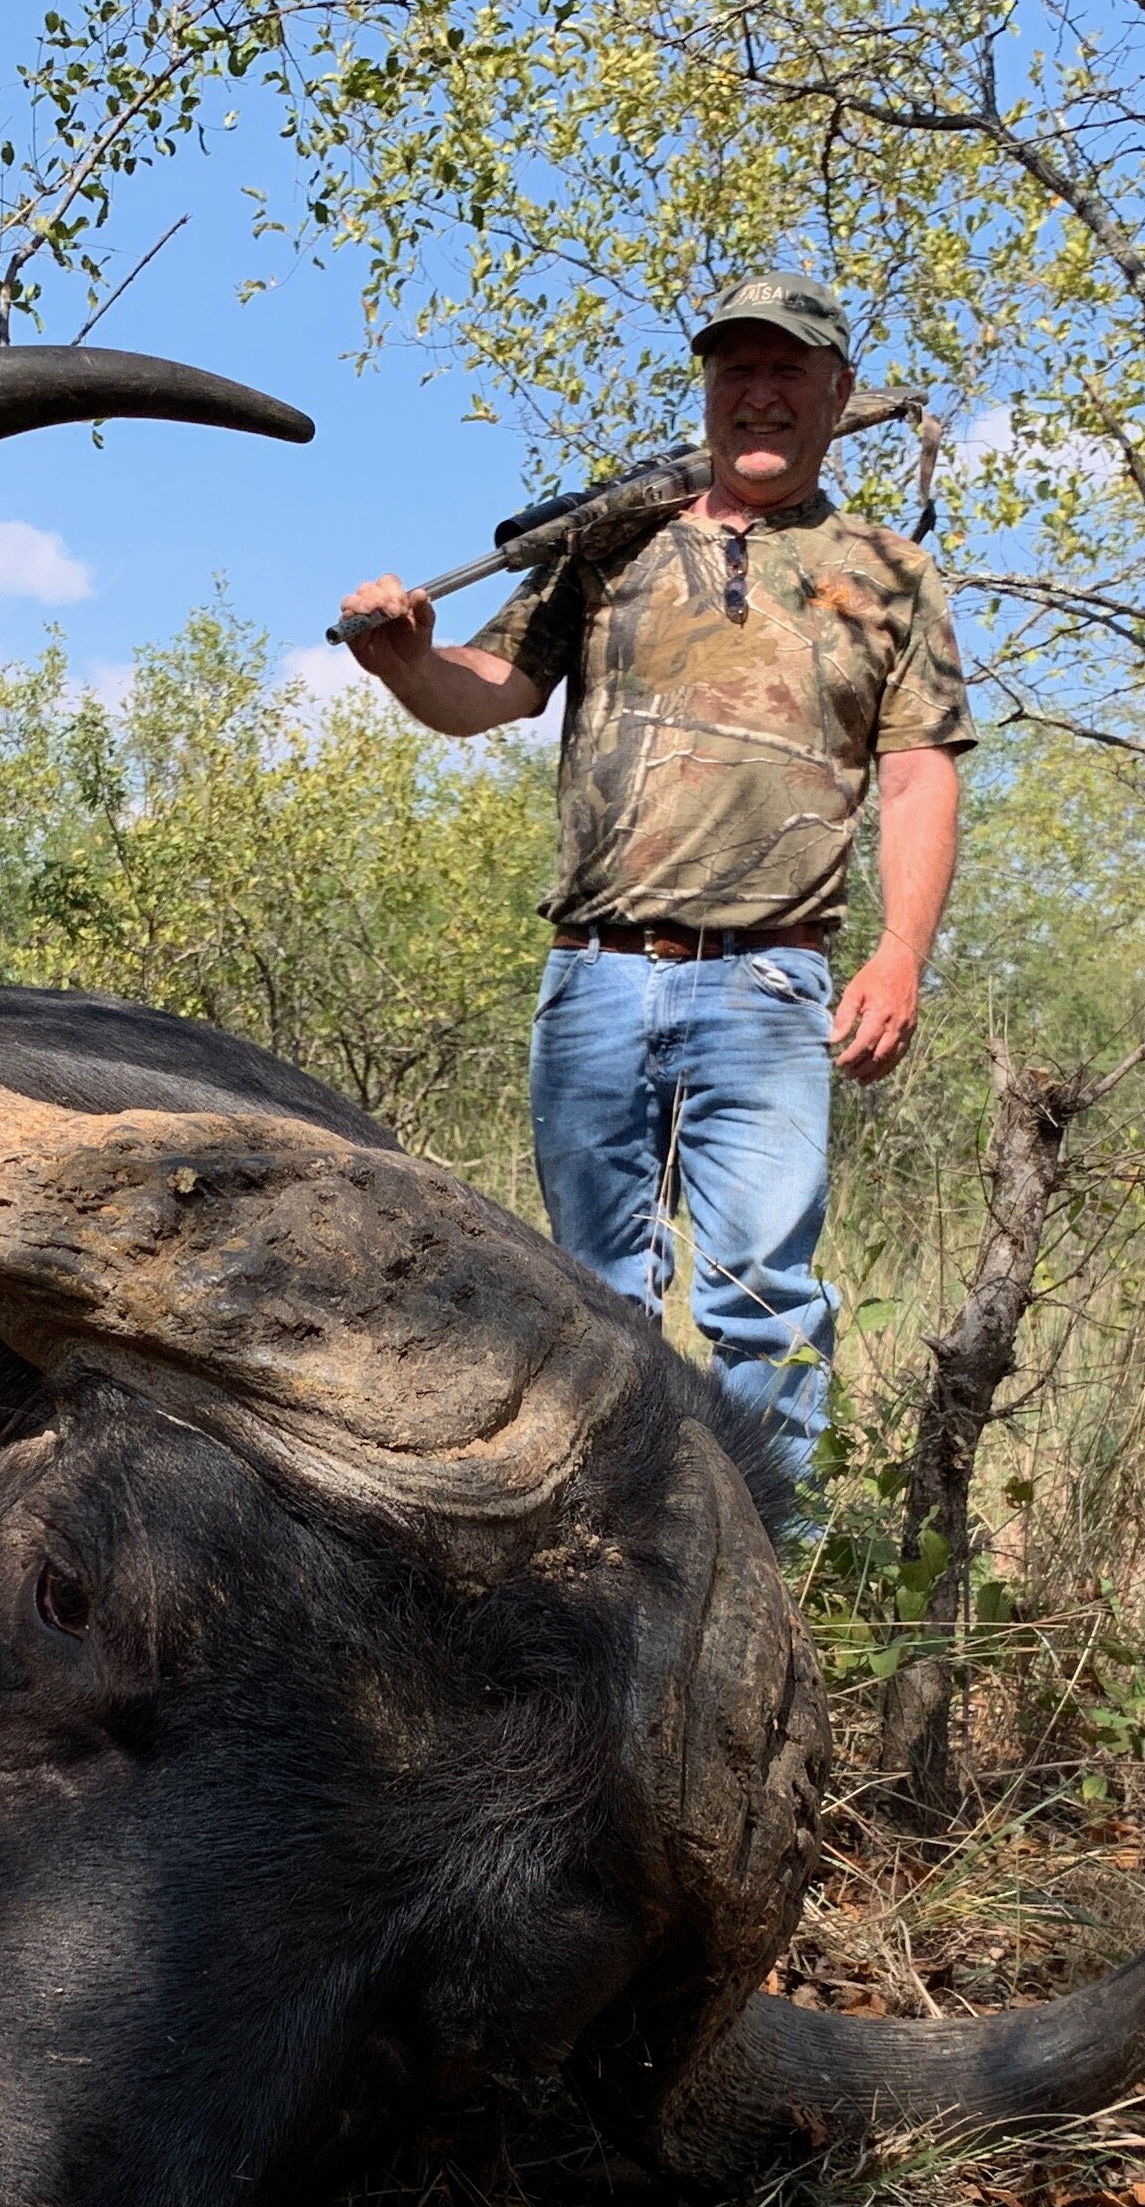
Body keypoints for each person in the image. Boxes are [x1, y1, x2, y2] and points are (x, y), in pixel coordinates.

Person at [339, 271, 972, 1525]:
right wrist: (406, 659)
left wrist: (899, 954)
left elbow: (916, 778)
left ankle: (780, 1582)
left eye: (789, 370)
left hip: (774, 978)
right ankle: (605, 1567)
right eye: (738, 367)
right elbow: (494, 692)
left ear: (838, 397)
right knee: (589, 1299)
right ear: (709, 386)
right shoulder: (610, 539)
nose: (761, 391)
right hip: (599, 975)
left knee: (765, 1302)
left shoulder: (887, 572)